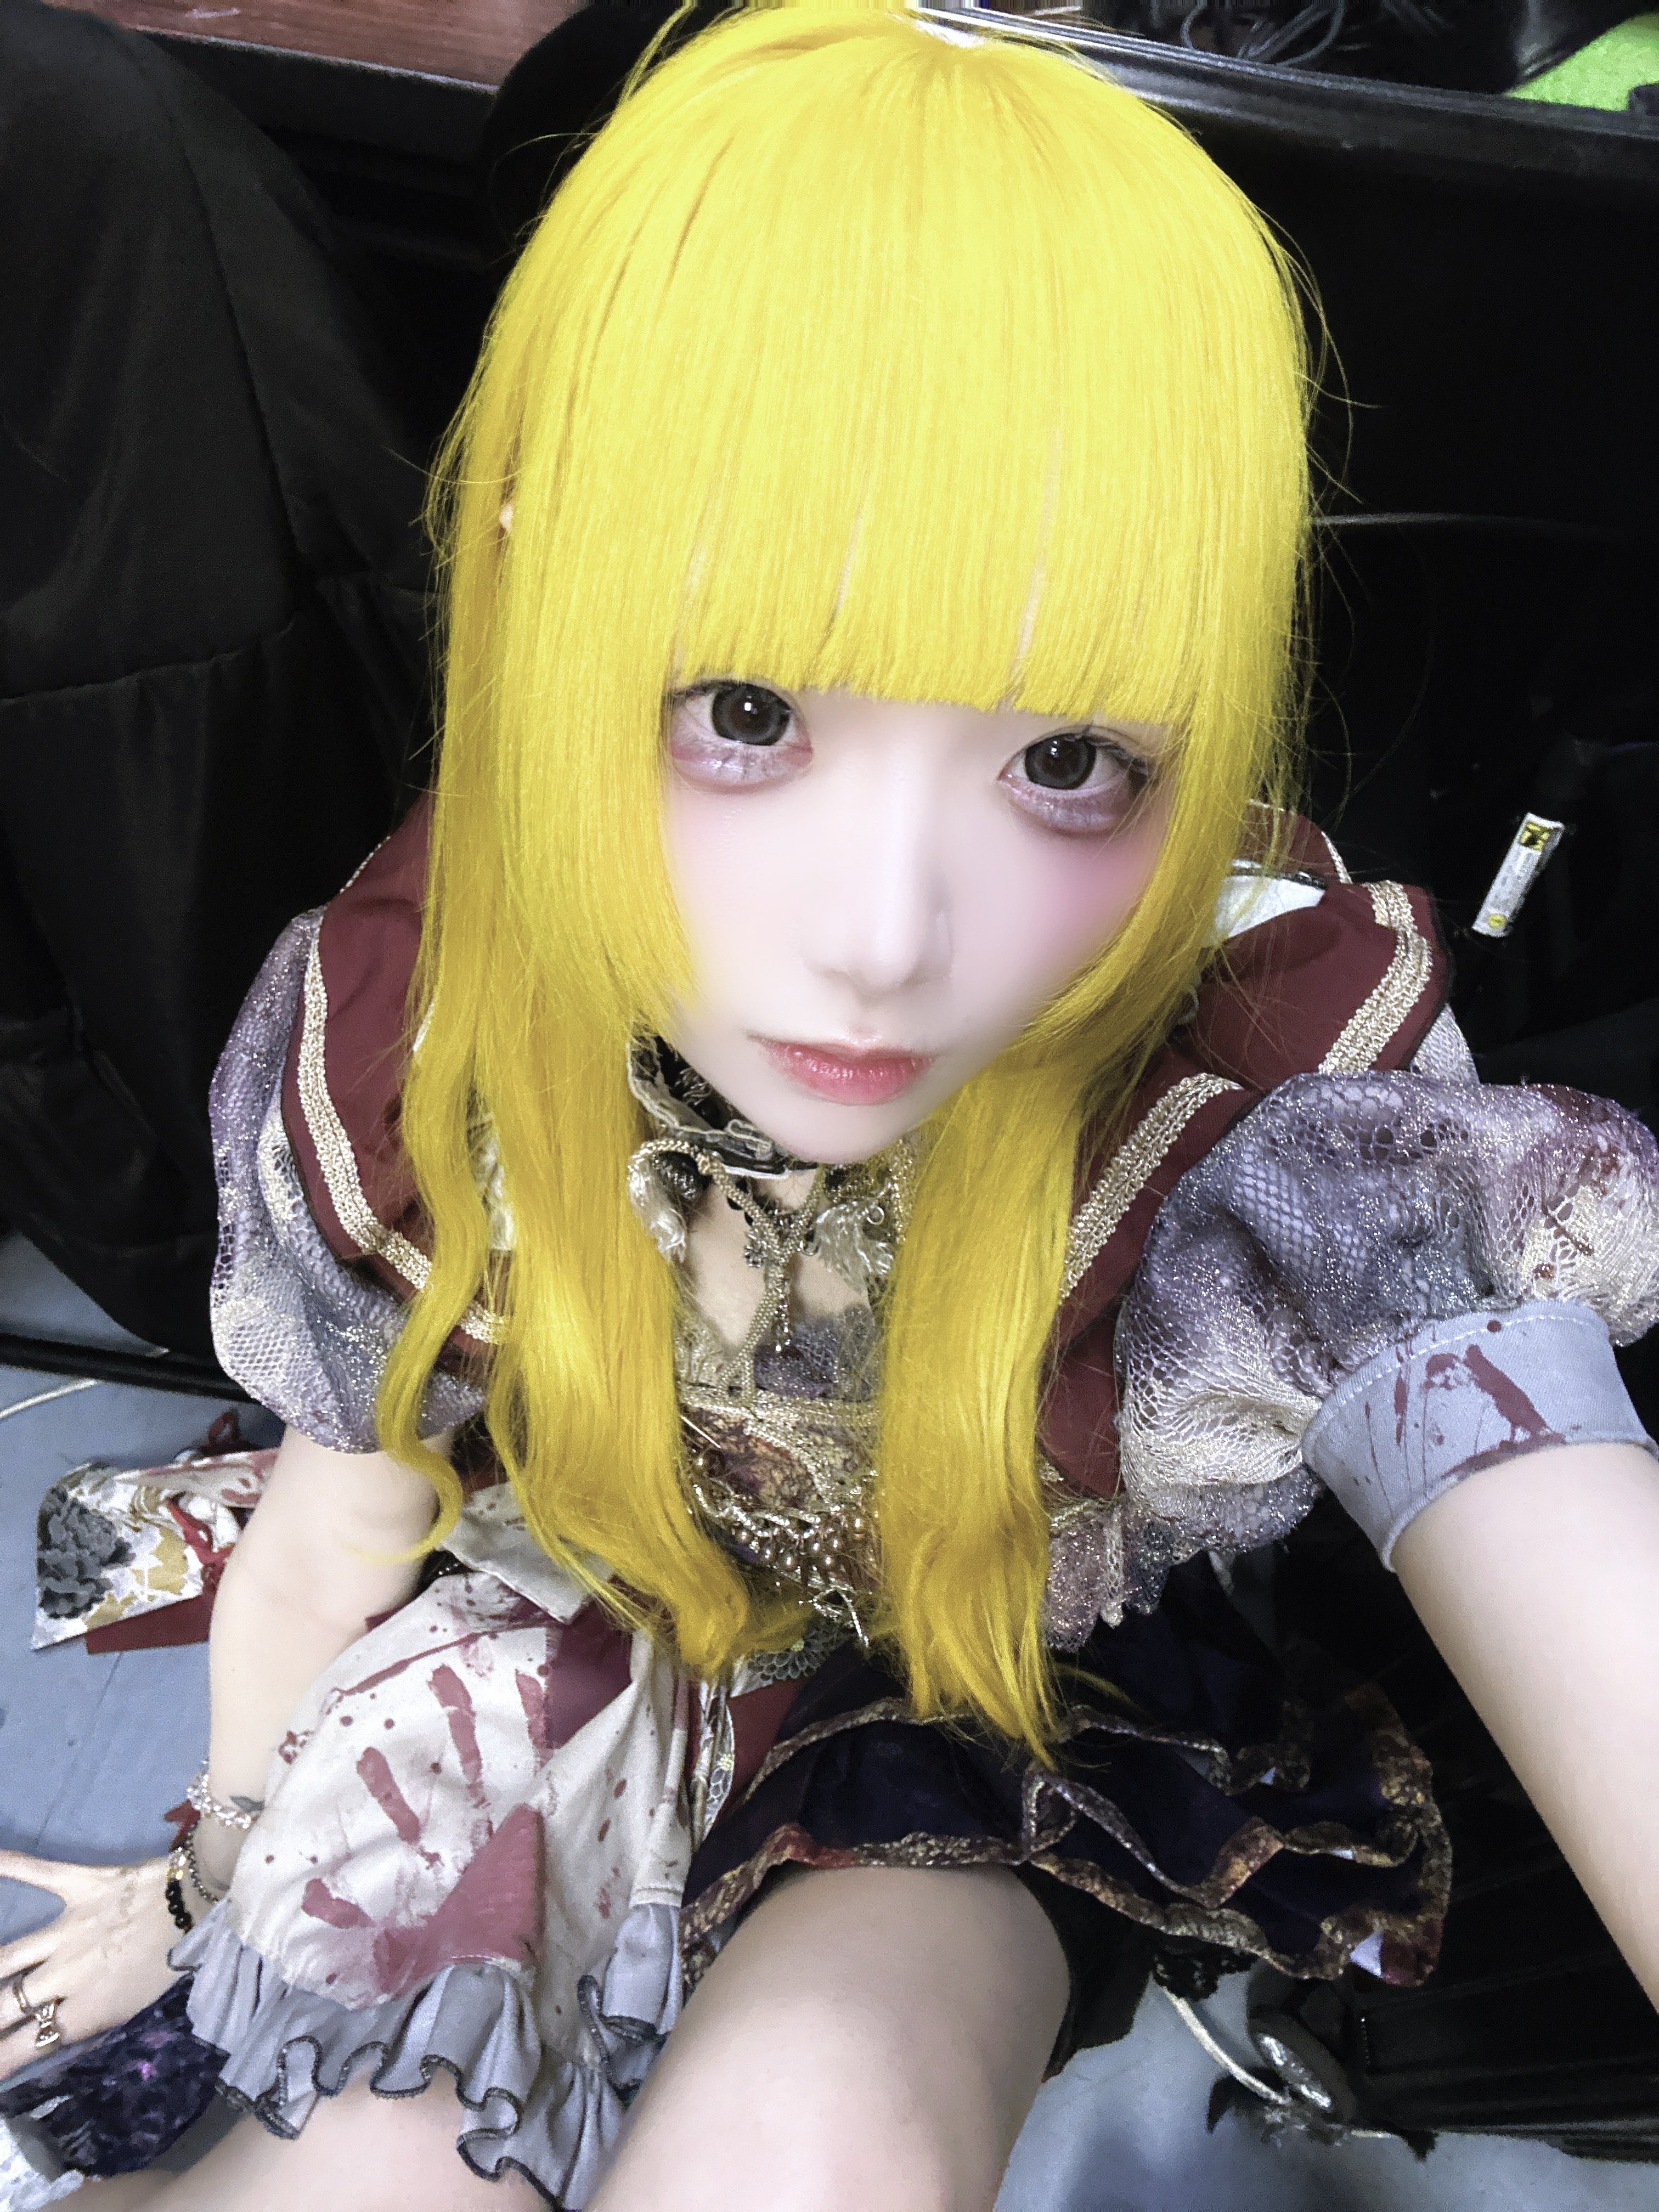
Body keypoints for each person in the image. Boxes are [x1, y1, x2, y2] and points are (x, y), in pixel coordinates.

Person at [3, 3, 1658, 2205]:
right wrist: (218, 1879)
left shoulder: (1264, 1093)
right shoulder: (426, 1022)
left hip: (1002, 1694)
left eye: (1068, 759)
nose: (883, 938)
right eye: (750, 711)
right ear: (528, 563)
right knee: (354, 2162)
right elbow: (338, 1525)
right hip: (576, 1585)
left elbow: (1536, 1493)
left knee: (823, 2140)